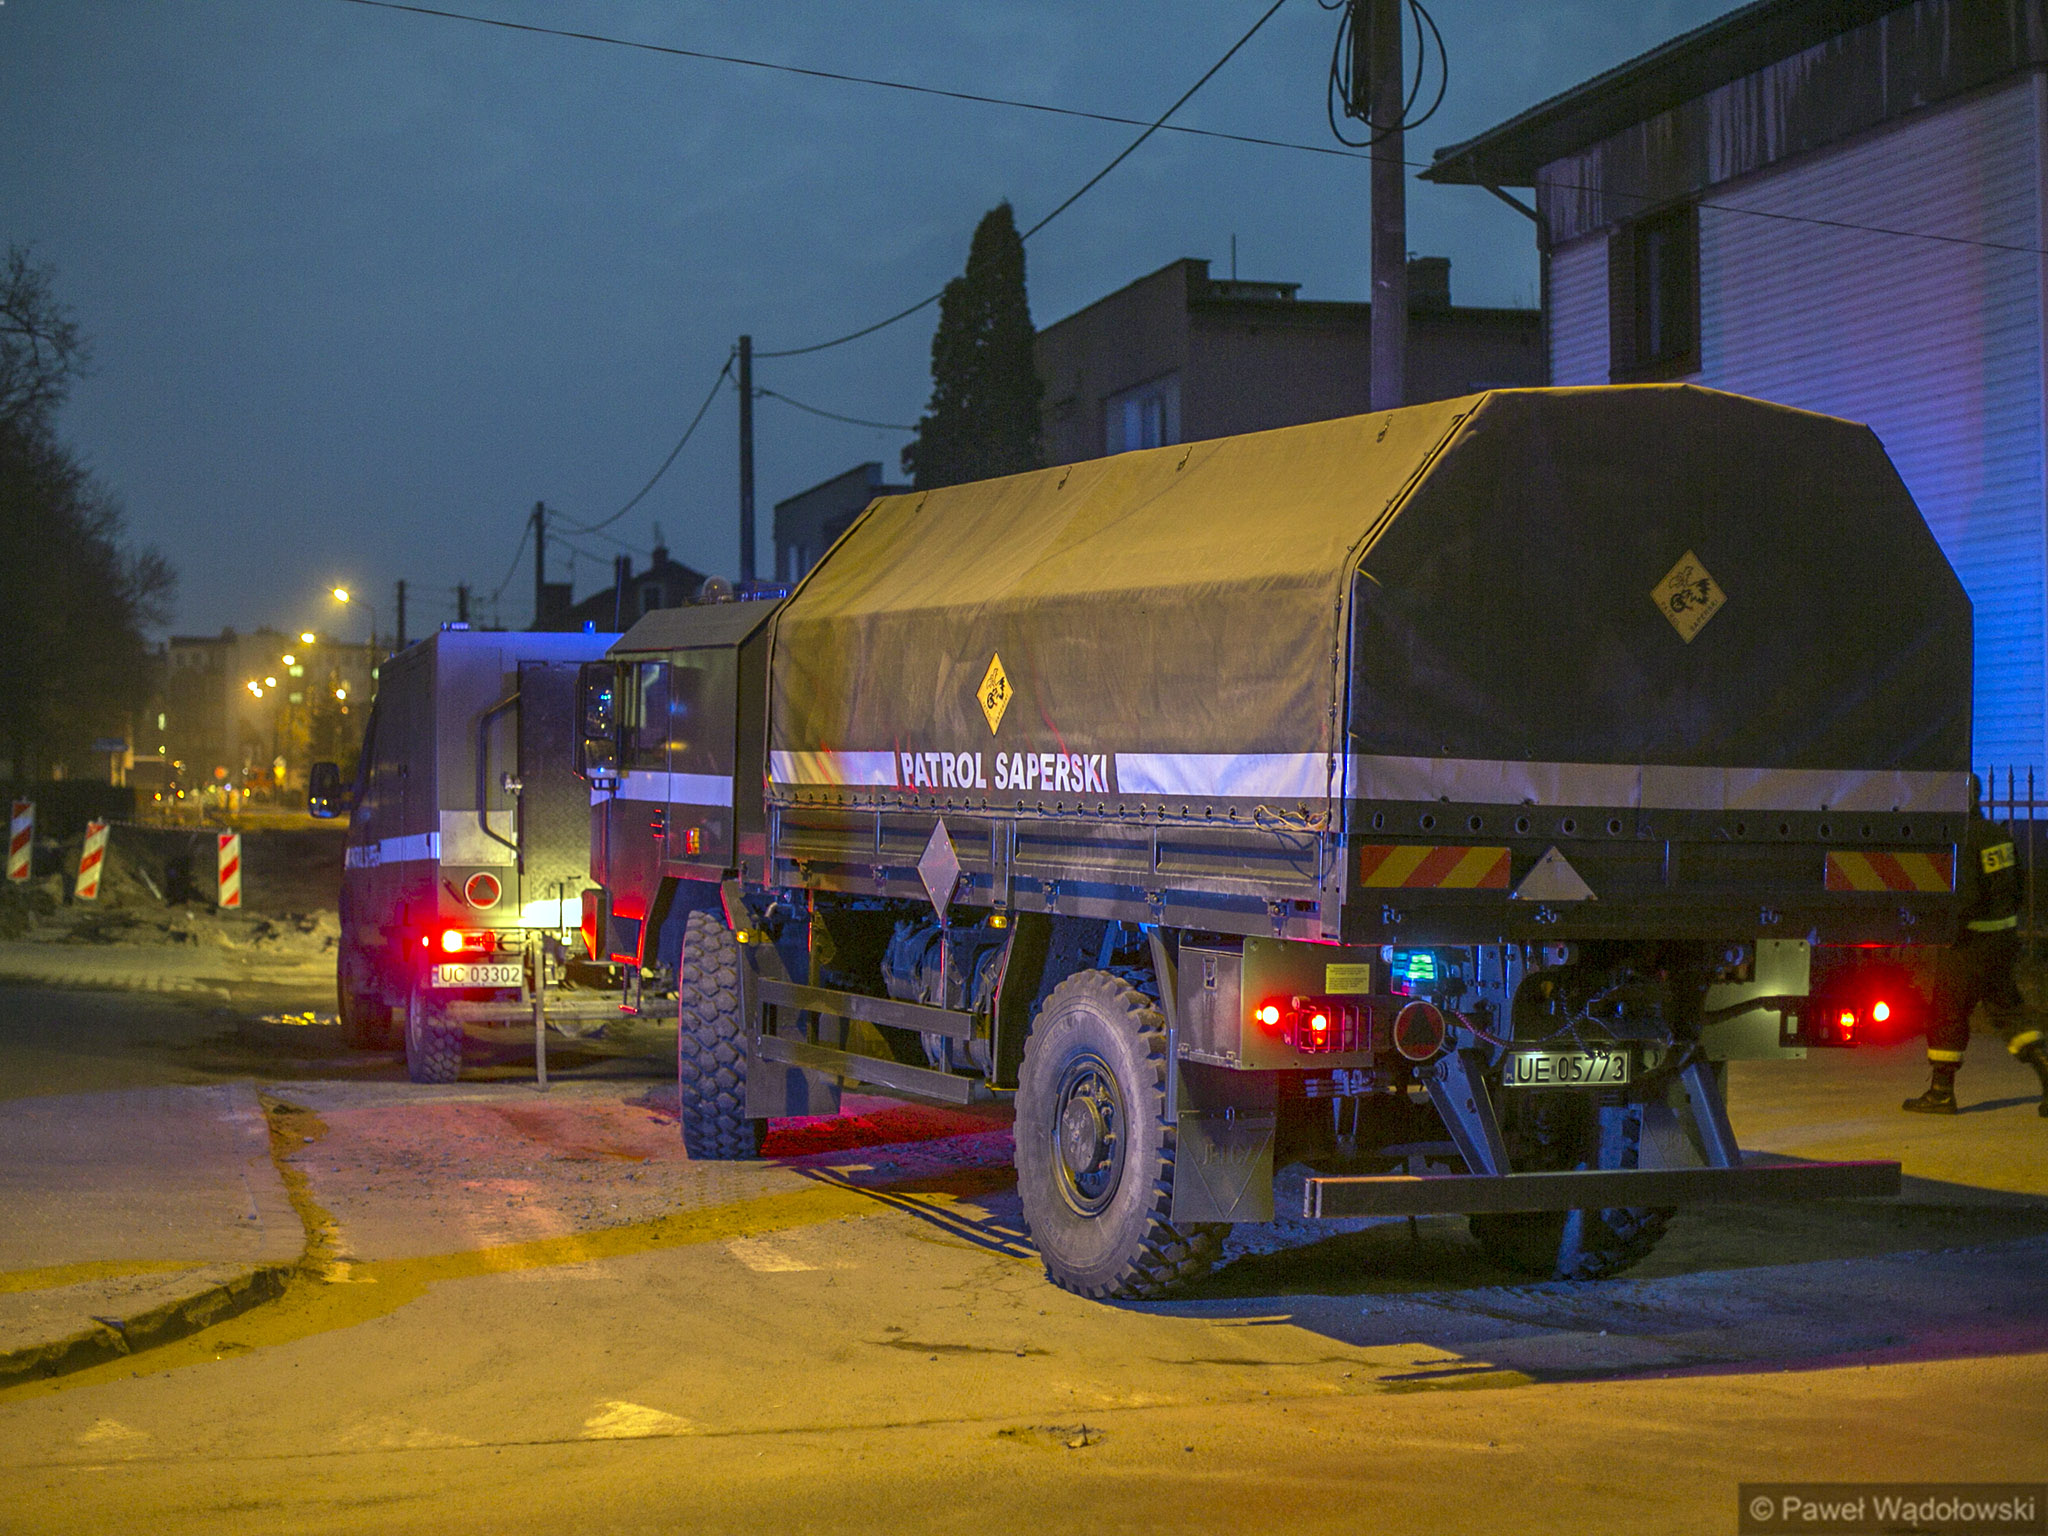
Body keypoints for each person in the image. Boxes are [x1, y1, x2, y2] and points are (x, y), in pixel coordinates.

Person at [1905, 777, 2048, 1116]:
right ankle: (2045, 1069)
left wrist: (1946, 930)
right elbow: (2016, 888)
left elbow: (1965, 898)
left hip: (1970, 942)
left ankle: (1941, 1093)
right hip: (2003, 942)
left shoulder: (1963, 838)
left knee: (1947, 1012)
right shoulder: (1998, 835)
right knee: (2008, 1011)